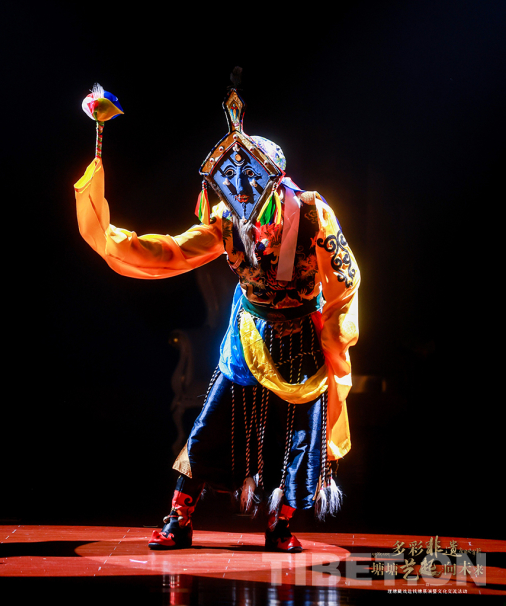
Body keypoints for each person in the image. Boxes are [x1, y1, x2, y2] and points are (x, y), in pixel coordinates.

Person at [74, 80, 360, 553]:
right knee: (212, 425)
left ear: (277, 184)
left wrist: (335, 336)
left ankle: (281, 523)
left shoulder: (314, 215)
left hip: (301, 336)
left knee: (301, 433)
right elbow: (174, 251)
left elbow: (346, 281)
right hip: (249, 330)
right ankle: (179, 516)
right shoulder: (228, 217)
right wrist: (115, 242)